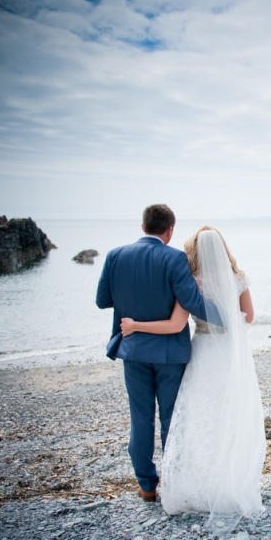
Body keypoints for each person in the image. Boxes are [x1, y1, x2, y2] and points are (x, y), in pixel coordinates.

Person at [119, 226, 266, 533]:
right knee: (229, 415)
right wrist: (228, 320)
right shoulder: (238, 277)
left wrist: (135, 325)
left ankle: (198, 482)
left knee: (200, 417)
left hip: (202, 352)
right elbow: (248, 317)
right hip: (227, 354)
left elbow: (175, 324)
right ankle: (230, 482)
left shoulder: (192, 282)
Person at [96, 204, 214, 502]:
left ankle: (147, 486)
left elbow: (102, 301)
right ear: (170, 230)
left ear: (143, 226)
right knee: (171, 419)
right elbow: (191, 300)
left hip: (133, 350)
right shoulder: (175, 258)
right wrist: (227, 317)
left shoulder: (115, 255)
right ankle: (175, 483)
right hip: (170, 354)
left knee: (140, 418)